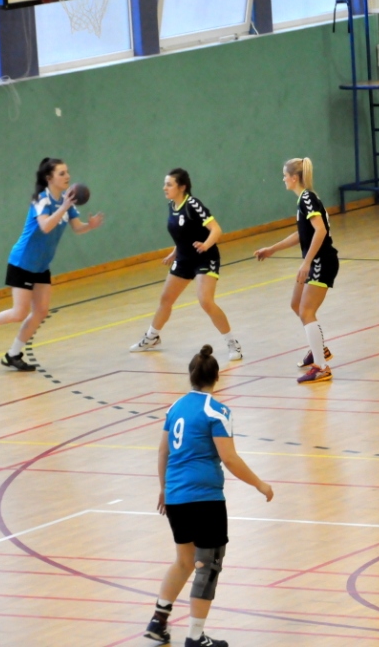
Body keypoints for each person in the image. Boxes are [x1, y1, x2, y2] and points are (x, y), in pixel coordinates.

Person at [145, 345, 274, 647]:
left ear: (190, 376)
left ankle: (158, 623)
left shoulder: (175, 408)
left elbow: (163, 451)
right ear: (217, 377)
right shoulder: (217, 411)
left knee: (184, 561)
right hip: (205, 498)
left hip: (176, 497)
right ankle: (194, 637)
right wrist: (259, 484)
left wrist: (164, 488)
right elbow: (229, 458)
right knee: (208, 565)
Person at [0, 157, 104, 369]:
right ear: (49, 178)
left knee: (41, 311)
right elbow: (45, 226)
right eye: (62, 173)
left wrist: (90, 226)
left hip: (41, 266)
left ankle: (13, 355)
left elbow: (77, 228)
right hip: (22, 262)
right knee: (19, 313)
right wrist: (64, 206)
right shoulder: (42, 199)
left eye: (67, 172)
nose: (67, 176)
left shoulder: (66, 201)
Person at [131, 169, 242, 361]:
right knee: (166, 299)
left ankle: (233, 343)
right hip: (183, 259)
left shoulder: (193, 205)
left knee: (205, 300)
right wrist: (174, 253)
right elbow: (184, 234)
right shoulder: (172, 206)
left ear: (182, 187)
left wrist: (205, 245)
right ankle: (151, 337)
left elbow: (216, 229)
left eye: (169, 184)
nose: (164, 188)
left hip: (205, 257)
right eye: (165, 184)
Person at [253, 157, 339, 384]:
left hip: (322, 261)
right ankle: (319, 348)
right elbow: (303, 234)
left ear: (293, 178)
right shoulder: (304, 199)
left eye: (285, 175)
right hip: (316, 260)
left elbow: (320, 231)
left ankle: (321, 367)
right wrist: (272, 249)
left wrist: (307, 262)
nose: (283, 179)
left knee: (307, 311)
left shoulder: (307, 198)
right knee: (296, 304)